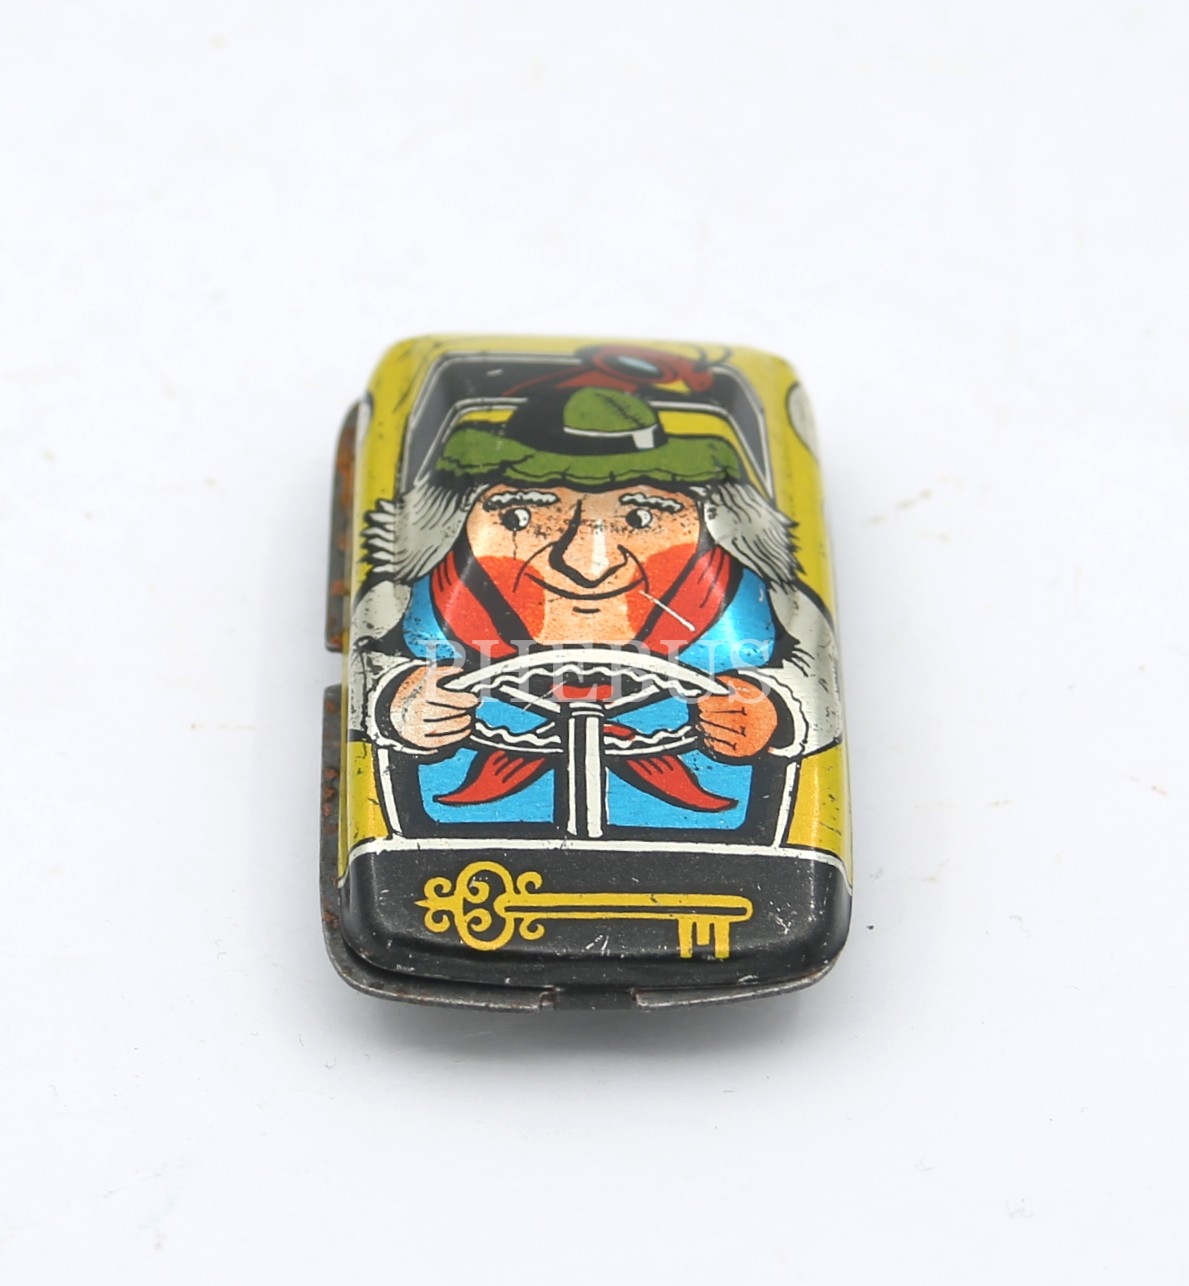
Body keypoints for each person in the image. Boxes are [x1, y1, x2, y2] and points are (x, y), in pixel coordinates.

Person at [350, 386, 841, 832]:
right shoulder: (417, 602)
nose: (589, 565)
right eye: (522, 516)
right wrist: (399, 702)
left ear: (711, 519)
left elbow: (812, 672)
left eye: (641, 517)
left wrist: (772, 712)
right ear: (454, 521)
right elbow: (371, 658)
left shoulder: (753, 606)